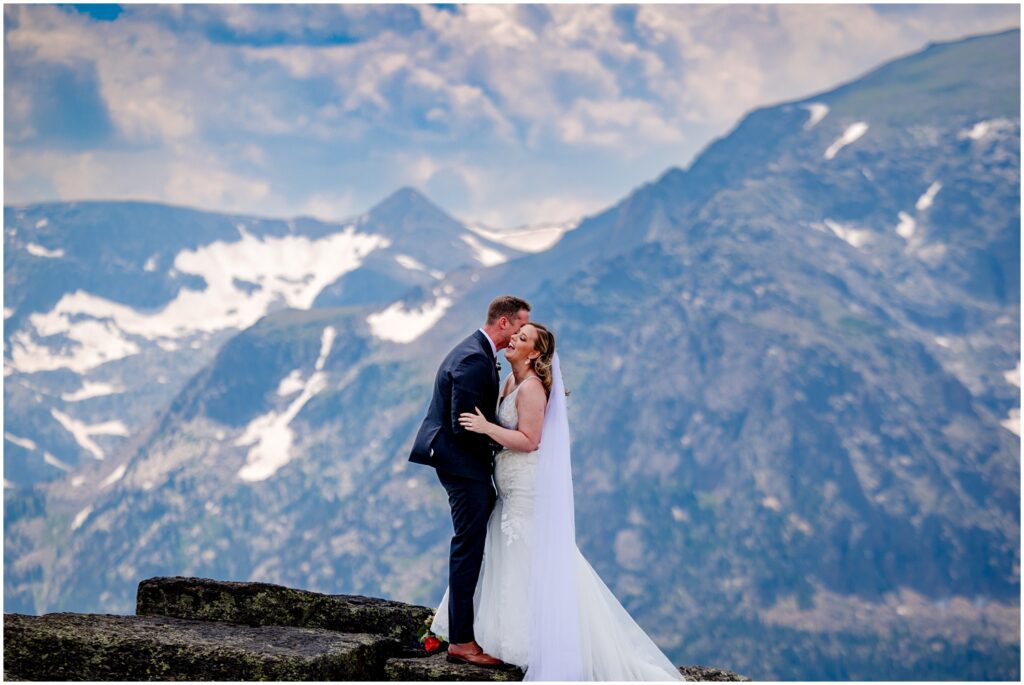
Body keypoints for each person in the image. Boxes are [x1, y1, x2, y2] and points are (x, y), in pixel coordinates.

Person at [429, 322, 687, 681]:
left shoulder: (533, 388)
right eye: (515, 334)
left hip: (525, 487)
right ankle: (499, 635)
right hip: (507, 487)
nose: (513, 339)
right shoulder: (510, 381)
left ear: (534, 353)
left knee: (528, 554)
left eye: (522, 338)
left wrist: (486, 427)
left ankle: (541, 642)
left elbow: (529, 440)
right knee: (503, 553)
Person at [409, 295, 531, 668]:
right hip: (463, 468)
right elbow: (464, 426)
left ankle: (468, 631)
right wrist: (506, 445)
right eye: (521, 325)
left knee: (473, 544)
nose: (522, 333)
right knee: (468, 547)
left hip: (466, 466)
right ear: (504, 323)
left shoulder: (477, 353)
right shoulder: (474, 360)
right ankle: (462, 641)